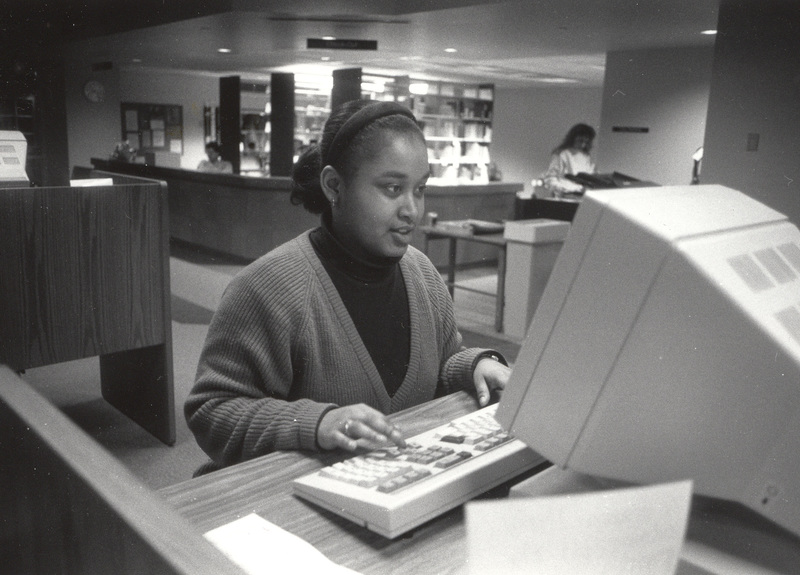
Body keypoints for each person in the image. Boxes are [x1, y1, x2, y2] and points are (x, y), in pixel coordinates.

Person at [185, 100, 510, 473]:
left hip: (393, 489)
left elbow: (443, 363)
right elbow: (213, 410)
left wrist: (474, 365)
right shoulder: (266, 287)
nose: (412, 210)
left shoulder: (422, 273)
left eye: (419, 189)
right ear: (334, 186)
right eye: (392, 188)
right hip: (293, 501)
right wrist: (319, 424)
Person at [541, 123, 596, 198]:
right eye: (580, 141)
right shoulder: (562, 154)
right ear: (573, 138)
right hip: (566, 197)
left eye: (586, 142)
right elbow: (550, 179)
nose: (583, 145)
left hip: (582, 197)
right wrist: (566, 189)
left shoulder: (586, 157)